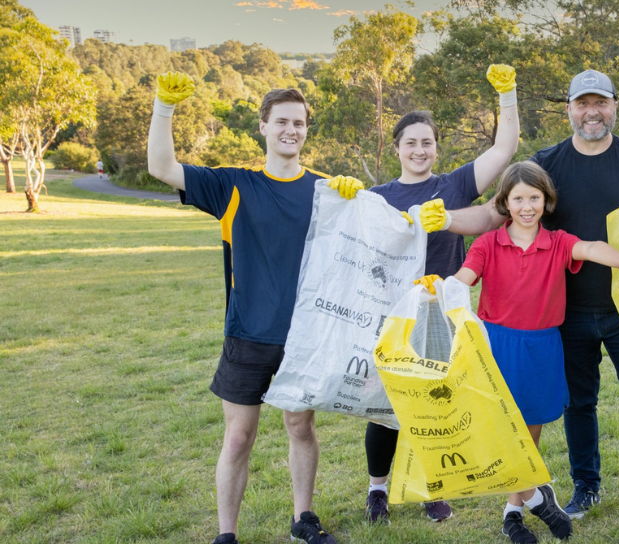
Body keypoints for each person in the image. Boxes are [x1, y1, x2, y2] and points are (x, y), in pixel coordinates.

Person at [420, 69, 619, 528]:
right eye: (582, 103)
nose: (592, 112)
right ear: (569, 109)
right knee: (578, 404)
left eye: (600, 102)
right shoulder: (547, 163)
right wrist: (444, 220)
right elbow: (493, 213)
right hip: (566, 315)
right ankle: (585, 485)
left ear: (614, 106)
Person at [147, 71, 347, 544]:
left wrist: (354, 196)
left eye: (299, 123)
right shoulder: (233, 185)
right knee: (238, 438)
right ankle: (226, 534)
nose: (291, 130)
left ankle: (303, 520)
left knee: (301, 426)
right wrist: (164, 108)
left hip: (304, 337)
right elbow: (161, 166)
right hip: (247, 332)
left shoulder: (325, 190)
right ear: (263, 126)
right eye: (282, 122)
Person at [434, 161, 619, 543]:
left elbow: (590, 247)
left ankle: (513, 512)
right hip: (497, 345)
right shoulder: (488, 243)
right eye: (518, 198)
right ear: (505, 201)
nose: (526, 206)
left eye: (534, 198)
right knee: (502, 434)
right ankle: (538, 495)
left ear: (545, 200)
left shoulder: (556, 242)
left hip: (542, 347)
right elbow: (463, 279)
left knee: (529, 434)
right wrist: (436, 289)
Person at [361, 64, 520, 525]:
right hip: (391, 314)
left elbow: (505, 147)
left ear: (436, 147)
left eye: (426, 142)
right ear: (397, 149)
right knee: (386, 407)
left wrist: (506, 95)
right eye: (410, 142)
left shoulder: (452, 186)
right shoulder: (376, 196)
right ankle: (377, 489)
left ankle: (432, 484)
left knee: (434, 400)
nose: (418, 149)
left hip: (440, 313)